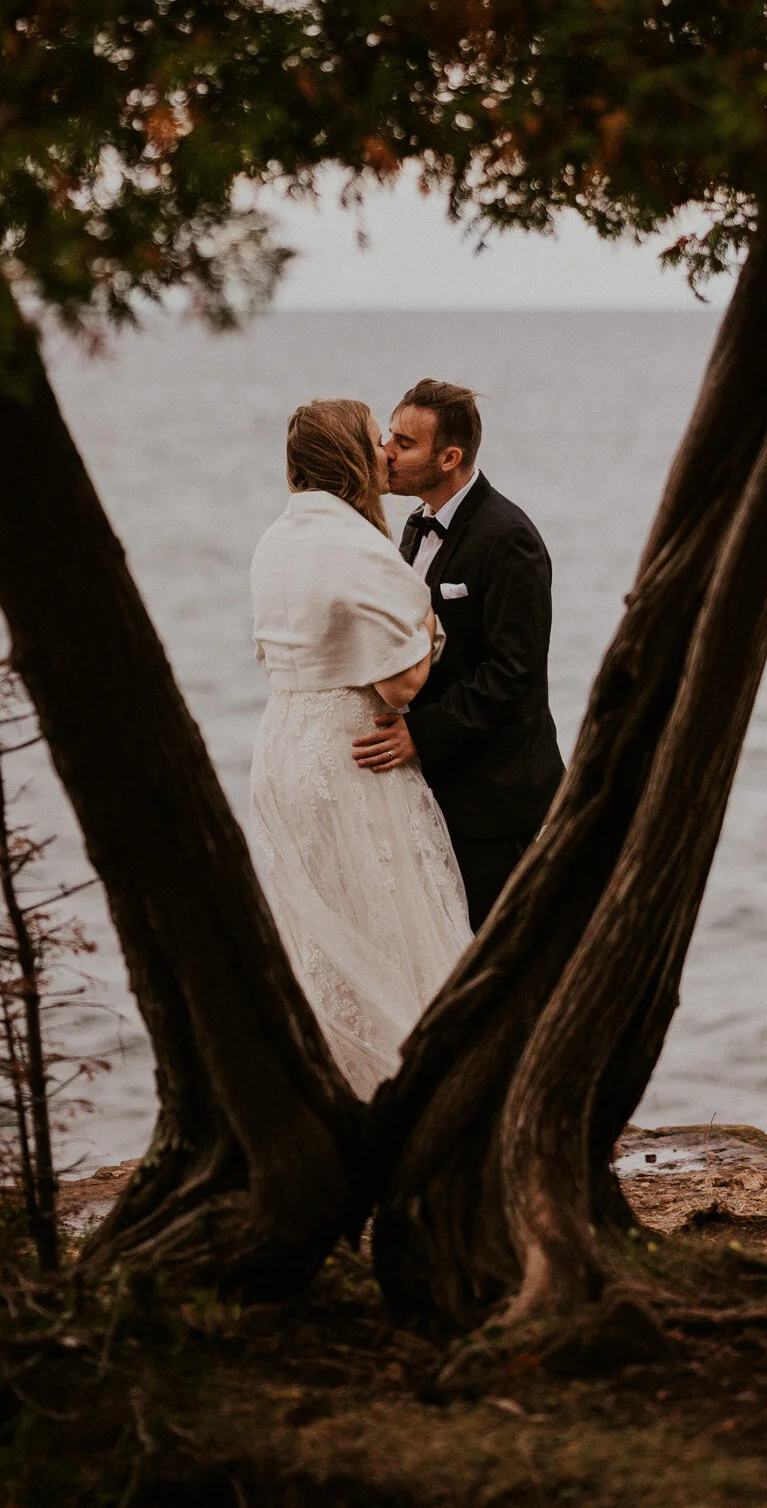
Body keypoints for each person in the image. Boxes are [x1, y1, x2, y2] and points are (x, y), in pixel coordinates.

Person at [246, 398, 472, 1098]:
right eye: (376, 440)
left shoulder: (275, 539)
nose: (387, 452)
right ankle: (406, 1084)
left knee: (321, 929)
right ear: (350, 455)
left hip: (283, 746)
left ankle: (325, 1085)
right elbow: (400, 684)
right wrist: (430, 629)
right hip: (350, 753)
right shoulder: (353, 545)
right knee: (387, 920)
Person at [352, 380, 565, 929]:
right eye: (390, 437)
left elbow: (513, 674)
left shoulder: (509, 537)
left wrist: (420, 734)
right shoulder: (414, 525)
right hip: (440, 788)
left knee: (498, 958)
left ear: (450, 458)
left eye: (403, 443)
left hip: (496, 796)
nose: (386, 453)